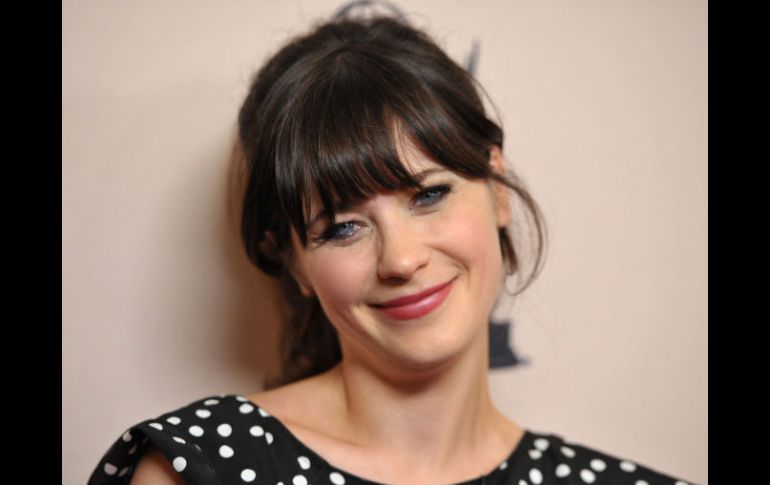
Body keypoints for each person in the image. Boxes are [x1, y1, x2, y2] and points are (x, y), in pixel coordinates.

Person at [88, 12, 700, 485]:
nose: (401, 260)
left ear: (497, 187)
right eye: (342, 227)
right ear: (293, 262)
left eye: (429, 195)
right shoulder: (199, 470)